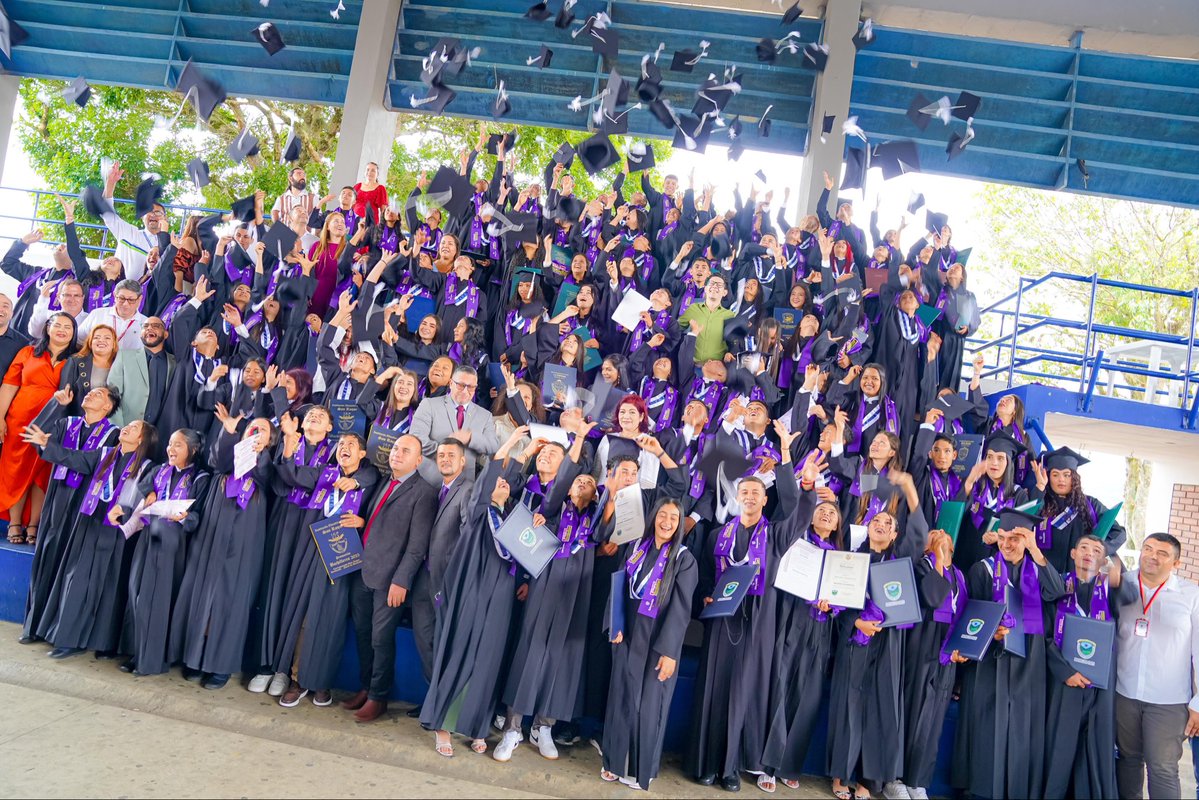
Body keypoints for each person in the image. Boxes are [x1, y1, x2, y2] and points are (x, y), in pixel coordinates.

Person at [687, 421, 813, 792]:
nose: (751, 497)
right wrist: (706, 595)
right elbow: (706, 576)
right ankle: (706, 764)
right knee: (713, 691)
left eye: (757, 493)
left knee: (742, 695)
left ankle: (730, 768)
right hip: (722, 621)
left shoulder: (775, 536)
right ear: (738, 497)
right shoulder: (717, 536)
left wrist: (795, 470)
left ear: (764, 499)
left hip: (756, 623)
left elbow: (799, 514)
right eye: (745, 492)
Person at [421, 426, 528, 757]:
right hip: (470, 594)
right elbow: (492, 473)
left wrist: (529, 455)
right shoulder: (480, 513)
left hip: (499, 599)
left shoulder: (512, 520)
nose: (502, 484)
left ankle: (476, 726)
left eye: (507, 483)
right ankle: (443, 725)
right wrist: (513, 443)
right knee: (460, 654)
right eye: (498, 481)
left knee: (487, 660)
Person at [952, 509, 1066, 799]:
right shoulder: (983, 569)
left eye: (1015, 538)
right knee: (985, 722)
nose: (1007, 544)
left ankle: (1015, 790)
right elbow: (972, 616)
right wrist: (991, 632)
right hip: (991, 658)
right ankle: (979, 790)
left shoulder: (1038, 568)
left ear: (1027, 540)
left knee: (1021, 724)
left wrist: (1036, 551)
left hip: (1029, 656)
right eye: (1002, 537)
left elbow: (1055, 592)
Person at [26, 417, 158, 659]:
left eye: (134, 428)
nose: (127, 428)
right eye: (128, 425)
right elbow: (74, 458)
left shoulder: (147, 467)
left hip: (116, 532)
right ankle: (69, 639)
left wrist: (126, 509)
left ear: (142, 439)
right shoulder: (105, 454)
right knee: (77, 580)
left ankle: (103, 643)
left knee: (108, 587)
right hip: (89, 523)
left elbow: (146, 498)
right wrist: (47, 444)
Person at [600, 498, 700, 791]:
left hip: (658, 639)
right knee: (621, 697)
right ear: (653, 517)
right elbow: (618, 587)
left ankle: (640, 770)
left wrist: (669, 651)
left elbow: (681, 609)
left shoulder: (684, 559)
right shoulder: (635, 548)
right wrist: (615, 624)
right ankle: (614, 762)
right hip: (628, 633)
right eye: (662, 515)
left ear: (679, 524)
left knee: (649, 704)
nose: (666, 522)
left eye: (673, 518)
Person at [343, 434, 437, 723]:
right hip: (364, 570)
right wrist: (362, 522)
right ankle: (366, 686)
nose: (397, 453)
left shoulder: (424, 492)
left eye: (405, 450)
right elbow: (379, 521)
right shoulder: (385, 480)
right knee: (363, 634)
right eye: (396, 448)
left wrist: (402, 581)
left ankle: (378, 697)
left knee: (380, 639)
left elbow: (417, 546)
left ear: (418, 460)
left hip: (390, 581)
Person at [19, 385, 120, 644]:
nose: (91, 394)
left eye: (99, 394)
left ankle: (55, 631)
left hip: (83, 505)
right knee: (46, 559)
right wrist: (57, 405)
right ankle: (33, 627)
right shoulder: (67, 423)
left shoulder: (113, 435)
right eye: (91, 392)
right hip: (57, 498)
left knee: (67, 567)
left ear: (108, 406)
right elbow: (36, 437)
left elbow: (89, 462)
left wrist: (53, 449)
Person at [118, 428, 209, 676]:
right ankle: (137, 653)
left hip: (173, 544)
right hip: (148, 537)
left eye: (178, 445)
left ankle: (154, 659)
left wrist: (186, 517)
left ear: (192, 450)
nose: (171, 449)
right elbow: (143, 488)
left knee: (159, 600)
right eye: (170, 444)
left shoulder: (200, 478)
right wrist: (148, 492)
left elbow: (200, 515)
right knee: (137, 593)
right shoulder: (160, 470)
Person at [1115, 532, 1199, 800]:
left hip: (1168, 701)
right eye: (1148, 549)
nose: (1152, 556)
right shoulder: (1120, 584)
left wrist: (1198, 703)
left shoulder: (1191, 595)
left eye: (1162, 553)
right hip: (1124, 693)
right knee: (1127, 760)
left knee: (1162, 769)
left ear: (1176, 563)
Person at [1044, 534, 1123, 800]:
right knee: (1060, 744)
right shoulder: (1057, 586)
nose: (1090, 553)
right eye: (1084, 548)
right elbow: (1044, 635)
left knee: (1095, 747)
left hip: (1100, 683)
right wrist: (1065, 672)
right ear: (1073, 553)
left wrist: (1115, 570)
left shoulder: (1112, 590)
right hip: (1065, 681)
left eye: (1097, 551)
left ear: (1104, 559)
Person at [0, 312, 78, 543]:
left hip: (54, 422)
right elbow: (9, 385)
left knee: (42, 474)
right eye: (57, 325)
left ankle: (34, 524)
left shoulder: (77, 359)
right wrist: (0, 417)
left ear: (74, 333)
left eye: (68, 327)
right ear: (47, 328)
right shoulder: (27, 352)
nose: (62, 330)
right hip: (20, 420)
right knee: (15, 470)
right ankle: (15, 523)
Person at [409, 438, 474, 686]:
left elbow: (468, 536)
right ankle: (433, 695)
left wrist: (455, 575)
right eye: (441, 455)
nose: (445, 459)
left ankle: (443, 700)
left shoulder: (468, 490)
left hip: (448, 578)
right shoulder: (435, 489)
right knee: (423, 638)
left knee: (444, 640)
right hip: (423, 576)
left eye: (451, 455)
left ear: (462, 461)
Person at [409, 364, 499, 480]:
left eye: (470, 387)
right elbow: (416, 439)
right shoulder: (429, 405)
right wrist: (447, 455)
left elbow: (493, 446)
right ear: (451, 383)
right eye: (461, 385)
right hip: (428, 479)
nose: (465, 391)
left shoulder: (485, 415)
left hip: (464, 483)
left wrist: (471, 438)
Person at [100, 161, 166, 282]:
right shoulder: (129, 232)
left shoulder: (168, 245)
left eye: (158, 213)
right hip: (118, 289)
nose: (153, 215)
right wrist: (110, 183)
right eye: (148, 211)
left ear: (165, 219)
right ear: (142, 217)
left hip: (148, 292)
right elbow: (106, 213)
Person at [106, 317, 175, 429]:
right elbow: (111, 397)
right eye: (145, 326)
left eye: (156, 326)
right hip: (127, 429)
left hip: (162, 432)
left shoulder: (175, 363)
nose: (149, 328)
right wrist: (118, 429)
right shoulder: (124, 356)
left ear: (166, 334)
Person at [79, 279, 147, 350]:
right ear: (114, 296)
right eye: (121, 298)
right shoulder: (97, 314)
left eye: (131, 300)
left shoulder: (146, 323)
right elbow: (79, 341)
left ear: (139, 299)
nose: (125, 304)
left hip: (131, 357)